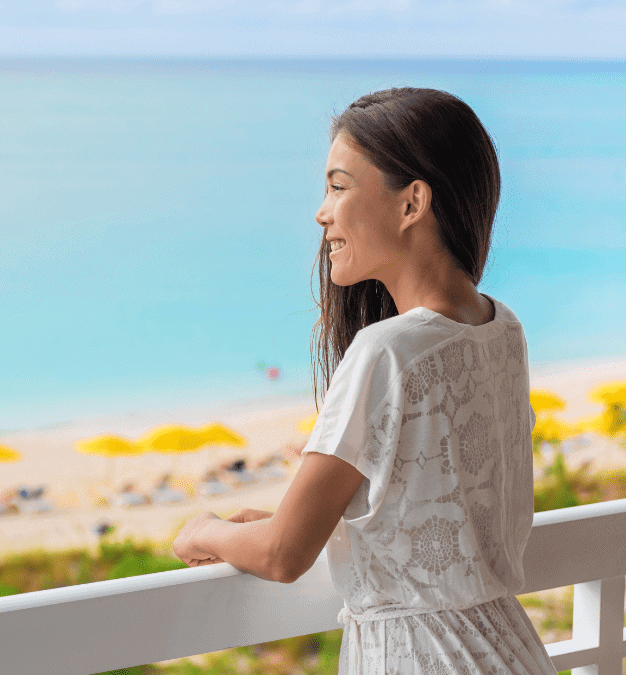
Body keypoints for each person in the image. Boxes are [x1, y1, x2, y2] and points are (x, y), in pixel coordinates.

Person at [172, 88, 556, 674]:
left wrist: (206, 531)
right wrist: (298, 524)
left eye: (339, 185)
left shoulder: (387, 350)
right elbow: (430, 507)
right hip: (511, 652)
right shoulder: (502, 329)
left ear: (412, 204)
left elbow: (282, 556)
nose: (321, 212)